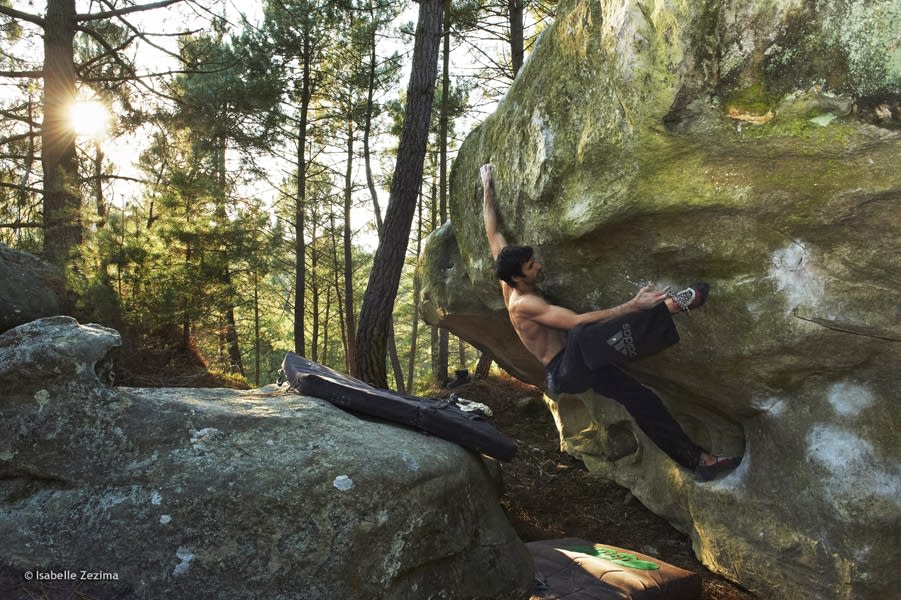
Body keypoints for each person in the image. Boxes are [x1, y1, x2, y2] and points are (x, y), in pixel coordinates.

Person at [480, 163, 740, 481]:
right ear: (518, 277)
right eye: (532, 266)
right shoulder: (524, 303)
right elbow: (576, 321)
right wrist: (635, 305)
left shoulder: (508, 274)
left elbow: (492, 232)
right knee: (581, 334)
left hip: (586, 363)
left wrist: (486, 186)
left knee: (642, 399)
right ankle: (670, 308)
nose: (539, 266)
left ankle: (700, 461)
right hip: (564, 372)